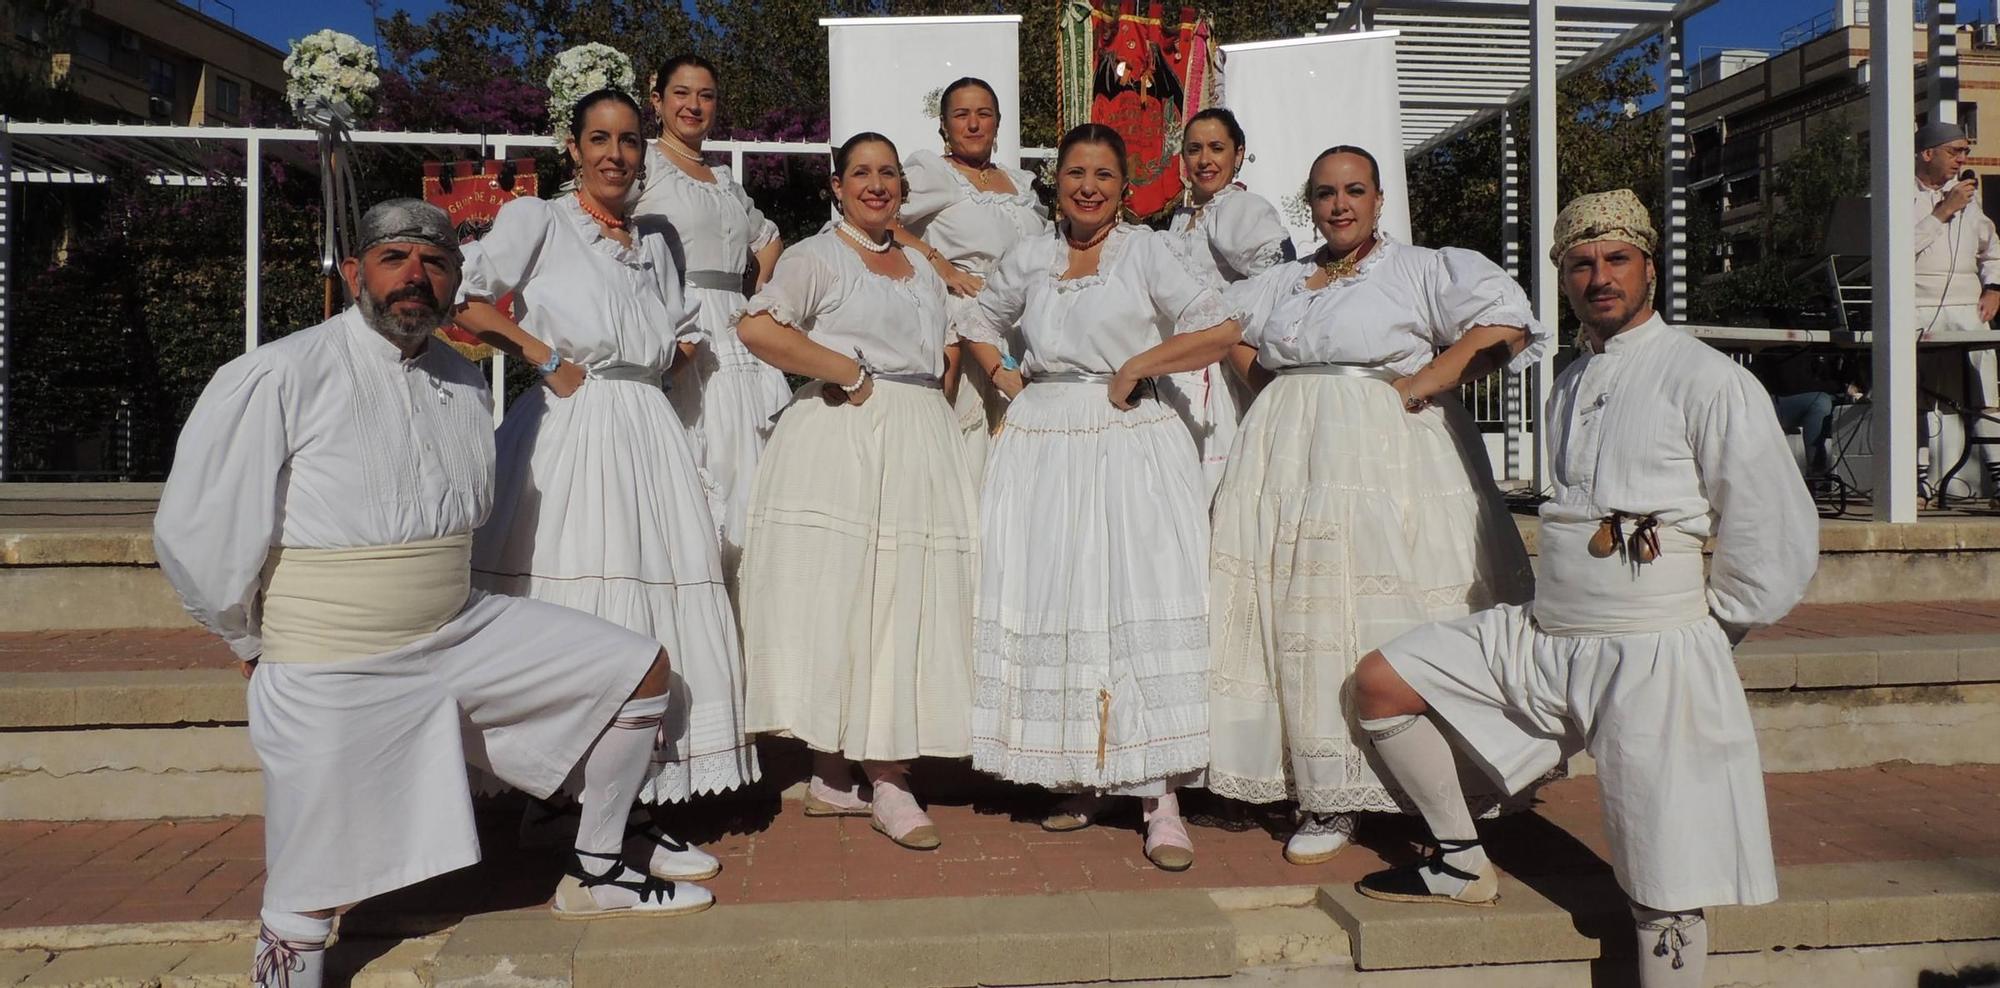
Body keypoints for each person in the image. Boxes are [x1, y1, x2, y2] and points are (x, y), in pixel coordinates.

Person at [155, 200, 714, 988]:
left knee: (637, 669)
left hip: (459, 627)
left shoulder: (460, 376)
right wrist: (247, 638)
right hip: (331, 651)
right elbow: (200, 529)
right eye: (396, 260)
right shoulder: (278, 372)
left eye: (437, 263)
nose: (417, 277)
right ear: (356, 273)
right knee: (305, 902)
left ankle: (597, 871)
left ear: (456, 282)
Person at [1347, 189, 1818, 988]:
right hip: (1547, 634)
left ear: (1649, 268)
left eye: (1616, 260)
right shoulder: (1569, 379)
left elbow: (1772, 528)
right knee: (1383, 682)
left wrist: (1712, 631)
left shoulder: (1706, 377)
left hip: (1654, 652)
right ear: (1564, 278)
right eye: (1581, 263)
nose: (1599, 277)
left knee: (1665, 883)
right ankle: (1462, 864)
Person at [1205, 145, 1542, 867]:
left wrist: (1424, 380)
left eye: (1354, 190)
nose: (1339, 204)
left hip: (1391, 464)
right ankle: (1328, 794)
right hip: (1291, 459)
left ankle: (1436, 792)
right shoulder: (1286, 280)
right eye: (1325, 193)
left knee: (1398, 604)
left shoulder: (1420, 269)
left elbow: (1505, 324)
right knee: (1305, 609)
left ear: (1380, 198)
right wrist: (1282, 391)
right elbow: (1221, 330)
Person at [453, 89, 755, 877]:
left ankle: (626, 803)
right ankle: (565, 804)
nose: (615, 155)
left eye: (627, 141)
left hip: (645, 428)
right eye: (599, 139)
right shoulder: (540, 221)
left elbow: (686, 329)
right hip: (575, 425)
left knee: (657, 597)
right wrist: (546, 359)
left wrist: (648, 374)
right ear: (574, 147)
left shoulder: (655, 238)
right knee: (581, 600)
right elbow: (469, 299)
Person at [959, 124, 1244, 871]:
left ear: (1124, 187)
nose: (1088, 186)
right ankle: (1081, 773)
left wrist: (1138, 365)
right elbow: (976, 319)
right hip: (1043, 439)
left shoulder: (1148, 251)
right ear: (1055, 179)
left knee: (1132, 600)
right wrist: (1006, 378)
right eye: (1076, 171)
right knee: (1061, 603)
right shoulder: (1030, 254)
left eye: (1104, 175)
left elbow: (1218, 326)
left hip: (1126, 438)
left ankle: (1160, 798)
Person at [735, 132, 979, 852]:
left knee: (902, 595)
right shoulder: (818, 256)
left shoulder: (921, 268)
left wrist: (931, 401)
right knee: (850, 592)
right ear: (836, 187)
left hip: (915, 436)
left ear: (903, 188)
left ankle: (838, 772)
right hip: (847, 437)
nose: (877, 185)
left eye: (889, 175)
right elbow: (756, 326)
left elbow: (949, 345)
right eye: (861, 174)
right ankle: (883, 777)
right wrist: (850, 374)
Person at [636, 54, 788, 573]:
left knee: (749, 457)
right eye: (681, 93)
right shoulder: (645, 162)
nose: (693, 105)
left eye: (705, 95)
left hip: (739, 332)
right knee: (700, 458)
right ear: (656, 101)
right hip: (683, 326)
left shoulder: (723, 178)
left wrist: (757, 289)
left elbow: (768, 239)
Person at [896, 76, 1052, 479]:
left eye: (984, 114)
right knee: (972, 450)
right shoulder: (931, 172)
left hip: (1020, 324)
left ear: (998, 123)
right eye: (961, 115)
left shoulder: (1021, 183)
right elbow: (877, 219)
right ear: (943, 126)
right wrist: (939, 263)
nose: (973, 124)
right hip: (964, 329)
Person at [1163, 107, 1294, 495]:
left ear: (1238, 154)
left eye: (1216, 148)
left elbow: (1276, 276)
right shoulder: (1183, 216)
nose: (1205, 160)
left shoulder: (1237, 208)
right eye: (1195, 149)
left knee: (1214, 480)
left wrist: (1224, 322)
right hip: (1178, 362)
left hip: (1216, 369)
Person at [1912, 120, 2000, 503]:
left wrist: (1995, 287)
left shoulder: (1967, 198)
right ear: (1927, 153)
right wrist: (1942, 212)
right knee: (1916, 395)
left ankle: (1997, 477)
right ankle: (1916, 479)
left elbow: (1991, 246)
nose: (1961, 159)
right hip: (1916, 305)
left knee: (1984, 390)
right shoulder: (1899, 194)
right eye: (1954, 151)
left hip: (1966, 304)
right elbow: (1896, 247)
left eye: (1965, 151)